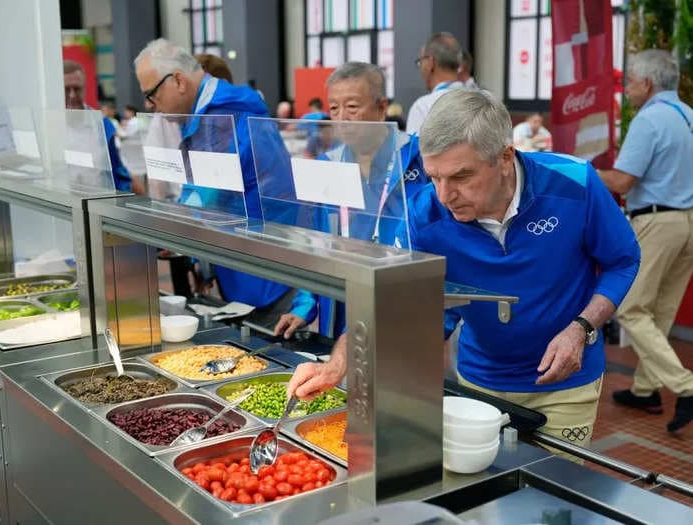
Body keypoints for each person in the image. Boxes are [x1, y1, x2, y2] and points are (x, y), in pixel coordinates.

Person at [288, 89, 640, 450]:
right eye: (434, 177)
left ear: (505, 157)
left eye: (460, 177)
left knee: (555, 498)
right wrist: (338, 364)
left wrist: (581, 329)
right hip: (478, 380)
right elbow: (386, 299)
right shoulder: (422, 215)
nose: (445, 195)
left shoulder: (574, 182)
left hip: (567, 385)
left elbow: (623, 260)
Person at [134, 38, 293, 322]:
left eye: (152, 94)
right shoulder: (210, 112)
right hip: (247, 255)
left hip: (264, 263)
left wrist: (170, 231)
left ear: (179, 81)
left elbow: (206, 192)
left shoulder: (221, 114)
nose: (151, 106)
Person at [275, 62, 429, 341]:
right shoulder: (327, 164)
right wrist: (305, 305)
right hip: (343, 301)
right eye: (334, 108)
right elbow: (316, 241)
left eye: (353, 107)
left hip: (402, 298)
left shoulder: (418, 158)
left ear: (381, 108)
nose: (342, 118)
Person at [597, 49, 693, 433]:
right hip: (689, 221)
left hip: (658, 221)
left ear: (648, 83)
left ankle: (686, 387)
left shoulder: (649, 120)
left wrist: (578, 168)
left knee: (632, 308)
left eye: (630, 82)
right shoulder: (689, 115)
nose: (626, 89)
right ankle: (645, 389)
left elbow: (622, 182)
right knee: (661, 309)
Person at [63, 60, 133, 192]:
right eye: (66, 89)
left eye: (77, 89)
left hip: (97, 204)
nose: (72, 95)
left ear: (84, 88)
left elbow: (118, 173)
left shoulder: (101, 125)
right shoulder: (50, 126)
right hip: (61, 204)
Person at [406, 32, 465, 134]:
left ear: (430, 63)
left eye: (420, 61)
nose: (420, 68)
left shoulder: (423, 107)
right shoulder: (484, 100)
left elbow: (414, 149)